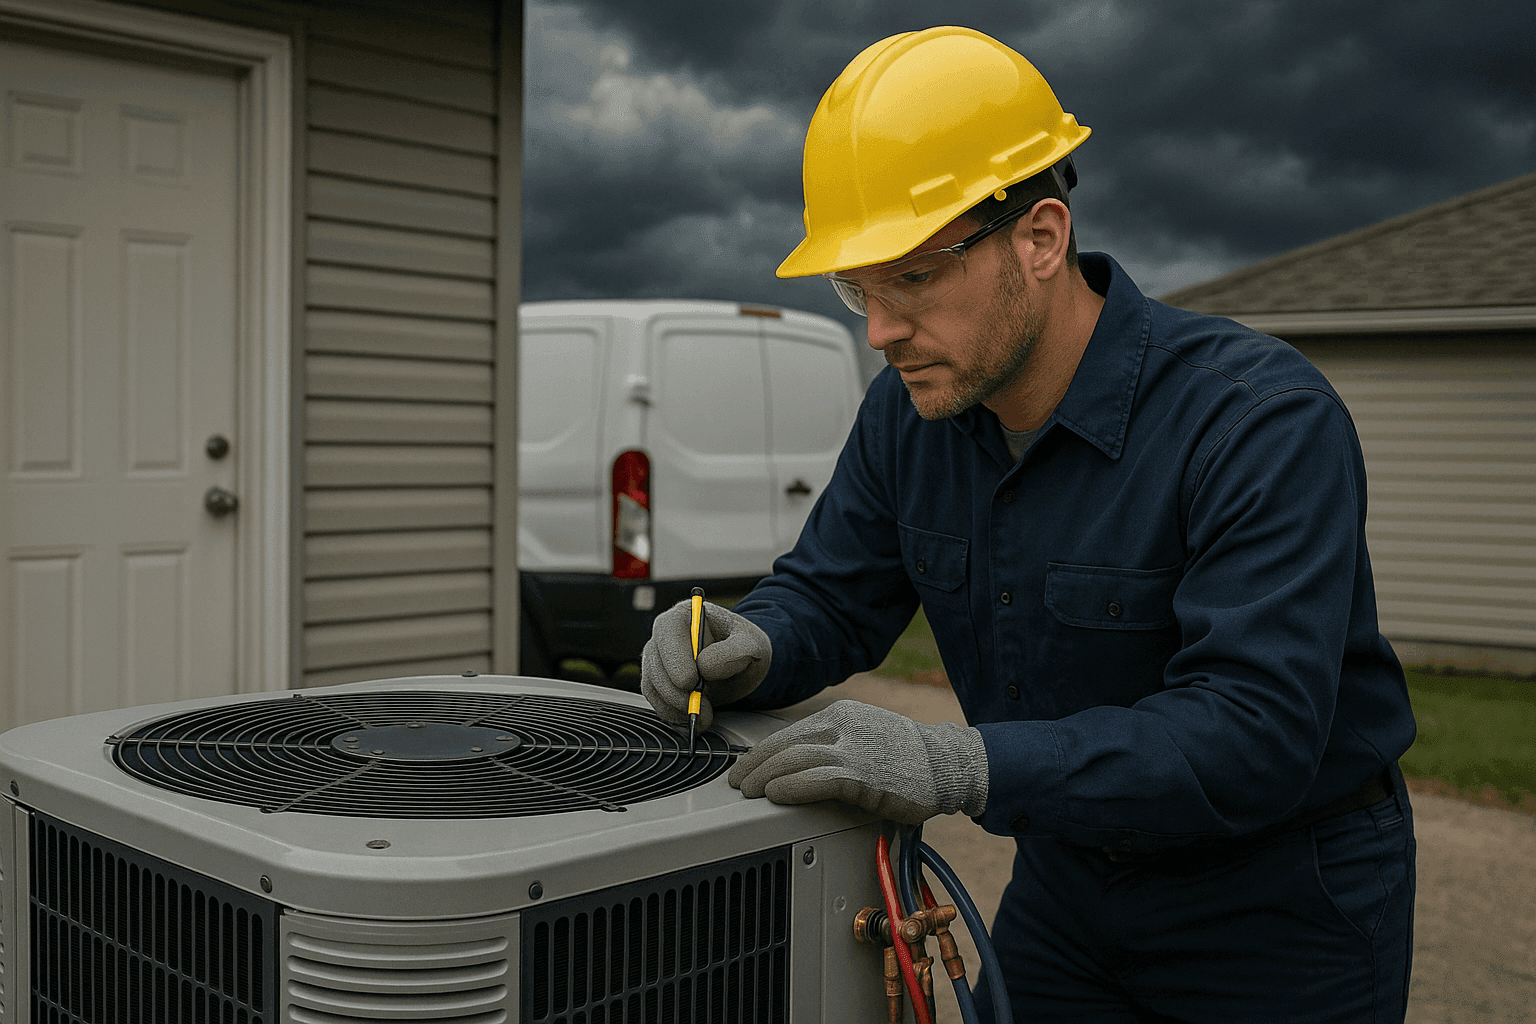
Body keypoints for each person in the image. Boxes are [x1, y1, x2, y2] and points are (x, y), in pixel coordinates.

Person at [640, 25, 1417, 1023]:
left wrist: (964, 763)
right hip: (1069, 886)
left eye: (912, 277)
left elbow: (1253, 732)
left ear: (1041, 240)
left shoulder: (1258, 420)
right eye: (857, 287)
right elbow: (832, 590)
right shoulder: (911, 409)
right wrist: (754, 639)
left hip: (1278, 904)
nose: (878, 331)